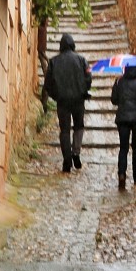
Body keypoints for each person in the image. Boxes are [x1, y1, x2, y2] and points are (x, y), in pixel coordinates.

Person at [43, 33, 92, 173]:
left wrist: (56, 96)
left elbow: (48, 84)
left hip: (62, 101)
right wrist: (83, 90)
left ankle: (67, 159)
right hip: (78, 100)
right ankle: (76, 152)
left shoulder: (53, 62)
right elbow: (88, 78)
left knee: (64, 130)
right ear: (73, 45)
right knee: (78, 126)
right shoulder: (82, 60)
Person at [111, 64, 136, 190]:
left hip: (122, 118)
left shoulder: (119, 81)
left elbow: (114, 100)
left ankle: (122, 174)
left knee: (123, 148)